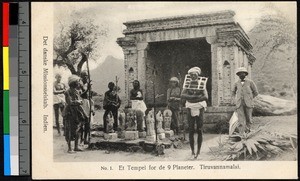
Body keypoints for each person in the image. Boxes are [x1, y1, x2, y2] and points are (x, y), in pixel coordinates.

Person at [181, 67, 208, 159]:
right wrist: (193, 97)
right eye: (191, 75)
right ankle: (192, 152)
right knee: (191, 129)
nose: (193, 76)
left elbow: (205, 96)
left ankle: (198, 152)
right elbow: (182, 95)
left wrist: (194, 98)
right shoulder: (187, 84)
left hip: (199, 106)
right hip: (190, 106)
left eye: (194, 74)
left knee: (199, 129)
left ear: (198, 75)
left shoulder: (201, 84)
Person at [64, 75, 87, 153]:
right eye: (77, 82)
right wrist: (78, 102)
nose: (78, 83)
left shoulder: (77, 91)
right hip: (70, 112)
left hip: (77, 111)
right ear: (73, 83)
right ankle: (69, 148)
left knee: (78, 129)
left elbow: (79, 103)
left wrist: (84, 113)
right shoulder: (67, 92)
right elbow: (69, 102)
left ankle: (76, 146)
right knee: (70, 129)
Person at [231, 67, 258, 134]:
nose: (241, 75)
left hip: (249, 103)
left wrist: (250, 98)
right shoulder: (236, 83)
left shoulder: (250, 82)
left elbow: (256, 92)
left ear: (245, 74)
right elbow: (233, 92)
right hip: (239, 103)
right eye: (239, 74)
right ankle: (242, 134)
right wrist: (235, 99)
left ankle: (248, 132)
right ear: (238, 75)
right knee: (240, 119)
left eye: (242, 73)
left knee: (249, 118)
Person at [79, 70, 95, 144]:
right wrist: (87, 89)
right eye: (84, 75)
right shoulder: (80, 84)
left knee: (88, 122)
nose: (86, 77)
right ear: (81, 77)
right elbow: (81, 95)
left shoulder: (89, 84)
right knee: (82, 121)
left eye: (86, 75)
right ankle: (81, 138)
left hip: (88, 103)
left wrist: (92, 108)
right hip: (82, 103)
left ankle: (86, 138)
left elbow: (90, 96)